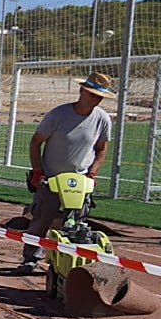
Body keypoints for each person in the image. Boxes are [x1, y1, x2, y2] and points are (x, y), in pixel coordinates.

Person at [19, 71, 114, 273]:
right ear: (81, 91)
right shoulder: (58, 115)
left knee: (76, 225)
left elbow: (101, 149)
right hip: (51, 178)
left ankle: (68, 263)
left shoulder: (102, 120)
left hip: (80, 181)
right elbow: (36, 142)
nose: (95, 100)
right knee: (41, 220)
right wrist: (38, 171)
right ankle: (30, 258)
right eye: (92, 94)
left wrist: (92, 173)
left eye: (99, 97)